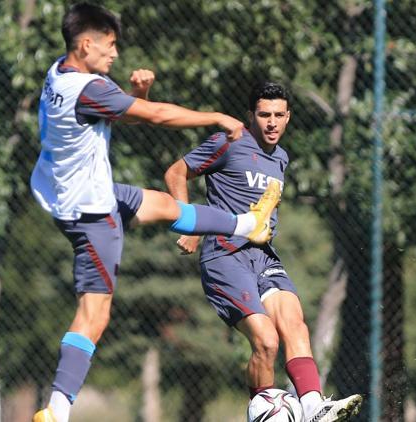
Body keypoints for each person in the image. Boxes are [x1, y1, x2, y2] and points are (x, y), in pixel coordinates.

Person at [31, 4, 281, 422]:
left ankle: (246, 225)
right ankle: (56, 411)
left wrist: (136, 96)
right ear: (86, 44)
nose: (115, 54)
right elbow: (157, 115)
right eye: (110, 46)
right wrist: (216, 118)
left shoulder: (61, 72)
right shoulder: (90, 89)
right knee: (95, 313)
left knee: (164, 205)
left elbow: (126, 113)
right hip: (91, 211)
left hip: (71, 192)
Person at [164, 81, 363, 422]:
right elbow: (176, 171)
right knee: (267, 341)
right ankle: (265, 412)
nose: (271, 122)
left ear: (288, 117)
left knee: (295, 324)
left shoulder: (281, 157)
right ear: (251, 116)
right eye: (264, 115)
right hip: (225, 255)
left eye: (278, 115)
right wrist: (188, 224)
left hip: (263, 257)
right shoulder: (230, 142)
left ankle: (314, 408)